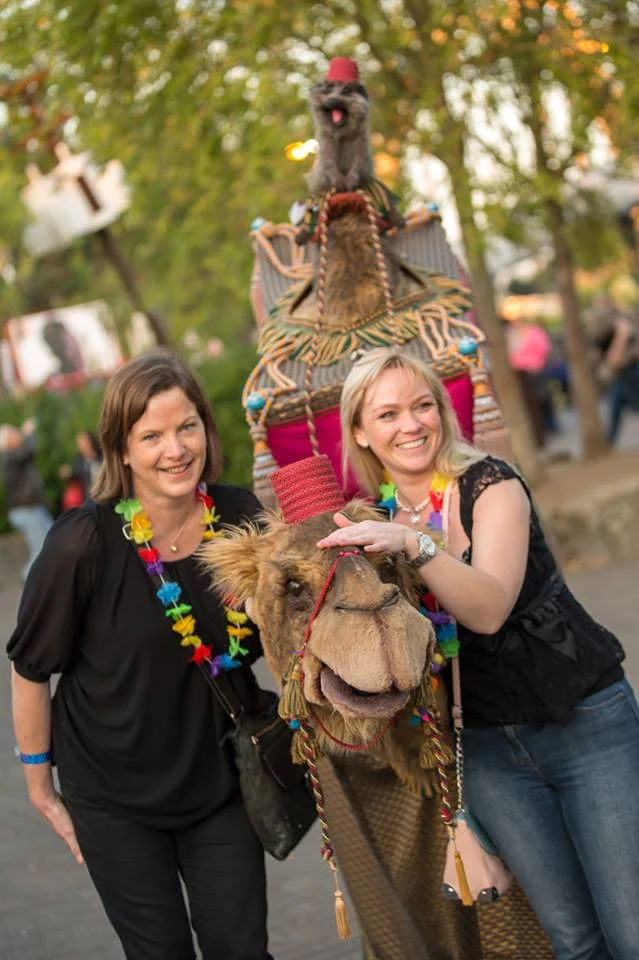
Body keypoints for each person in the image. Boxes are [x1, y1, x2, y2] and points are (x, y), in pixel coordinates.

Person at [317, 346, 639, 960]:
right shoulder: (375, 519)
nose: (410, 424)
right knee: (573, 942)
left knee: (633, 933)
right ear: (359, 429)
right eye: (387, 414)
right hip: (489, 751)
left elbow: (488, 609)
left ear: (442, 409)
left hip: (586, 726)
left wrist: (413, 545)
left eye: (422, 405)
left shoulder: (492, 484)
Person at [7, 349, 275, 960]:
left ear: (207, 428)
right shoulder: (84, 541)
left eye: (186, 427)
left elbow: (275, 643)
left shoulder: (241, 520)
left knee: (243, 950)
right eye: (151, 436)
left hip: (220, 785)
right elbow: (31, 667)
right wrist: (38, 784)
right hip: (112, 796)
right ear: (122, 451)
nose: (175, 449)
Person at [0, 418, 53, 580]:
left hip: (32, 508)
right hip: (26, 510)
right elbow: (27, 450)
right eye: (15, 434)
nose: (19, 436)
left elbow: (28, 451)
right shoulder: (9, 457)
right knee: (43, 545)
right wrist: (28, 433)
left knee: (52, 540)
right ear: (8, 441)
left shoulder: (13, 456)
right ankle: (29, 579)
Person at [589, 296, 639, 442]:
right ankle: (610, 438)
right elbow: (610, 359)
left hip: (629, 370)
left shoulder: (622, 325)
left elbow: (616, 359)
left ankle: (610, 438)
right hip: (620, 371)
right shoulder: (602, 333)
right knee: (616, 404)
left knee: (618, 402)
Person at [58, 430, 103, 508]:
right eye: (79, 442)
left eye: (84, 441)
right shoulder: (79, 460)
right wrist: (67, 474)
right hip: (89, 500)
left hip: (104, 498)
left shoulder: (102, 458)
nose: (82, 445)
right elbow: (76, 474)